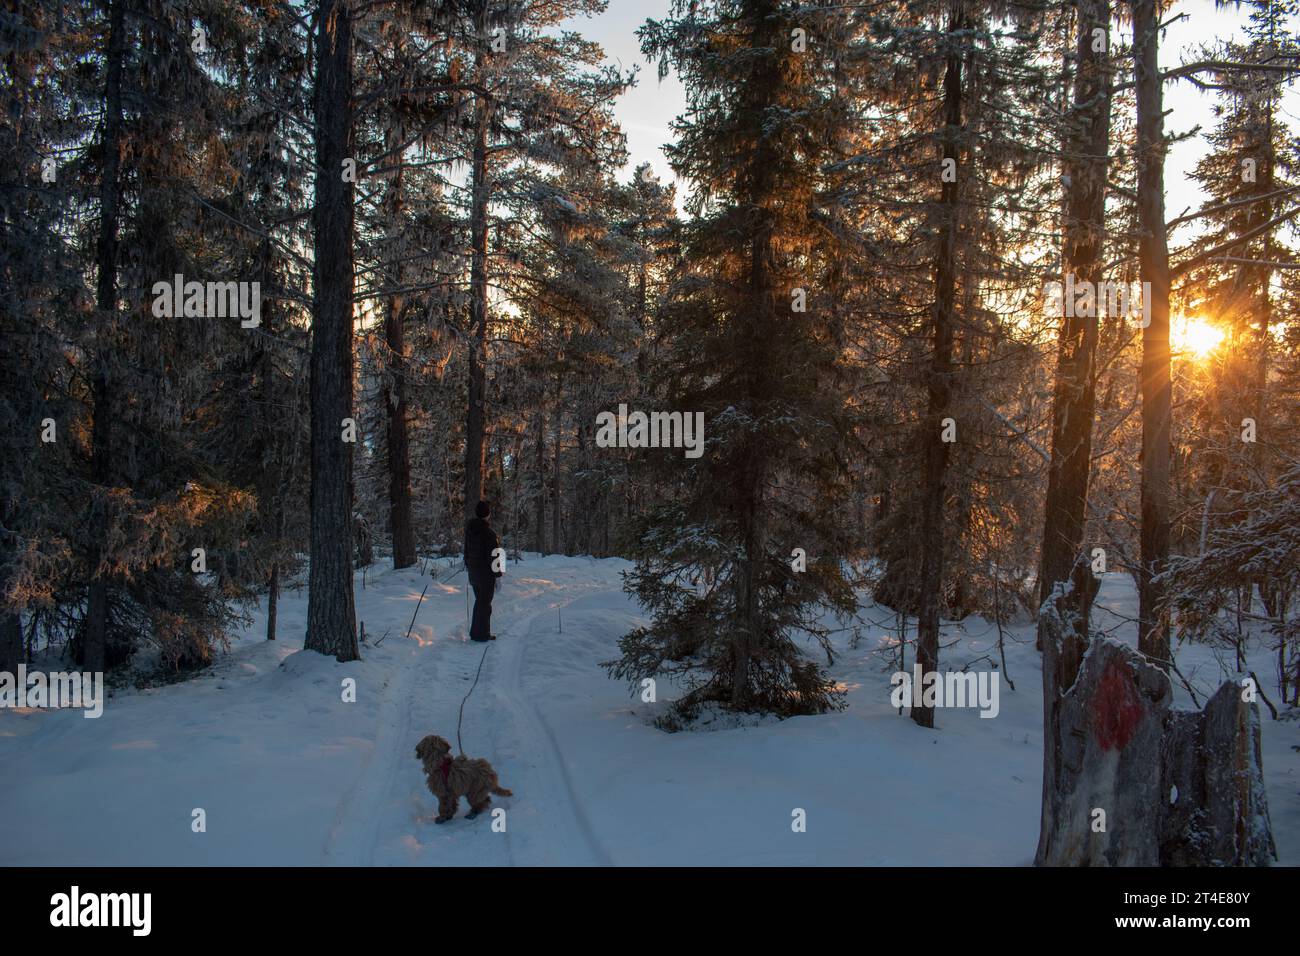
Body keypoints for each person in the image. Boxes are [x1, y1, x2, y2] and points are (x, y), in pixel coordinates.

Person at [463, 500, 502, 642]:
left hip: (473, 573)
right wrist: (498, 576)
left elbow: (466, 552)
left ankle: (477, 633)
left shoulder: (470, 530)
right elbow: (495, 556)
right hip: (485, 575)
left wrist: (469, 567)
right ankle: (481, 634)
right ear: (488, 514)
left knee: (480, 602)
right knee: (484, 605)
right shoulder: (489, 533)